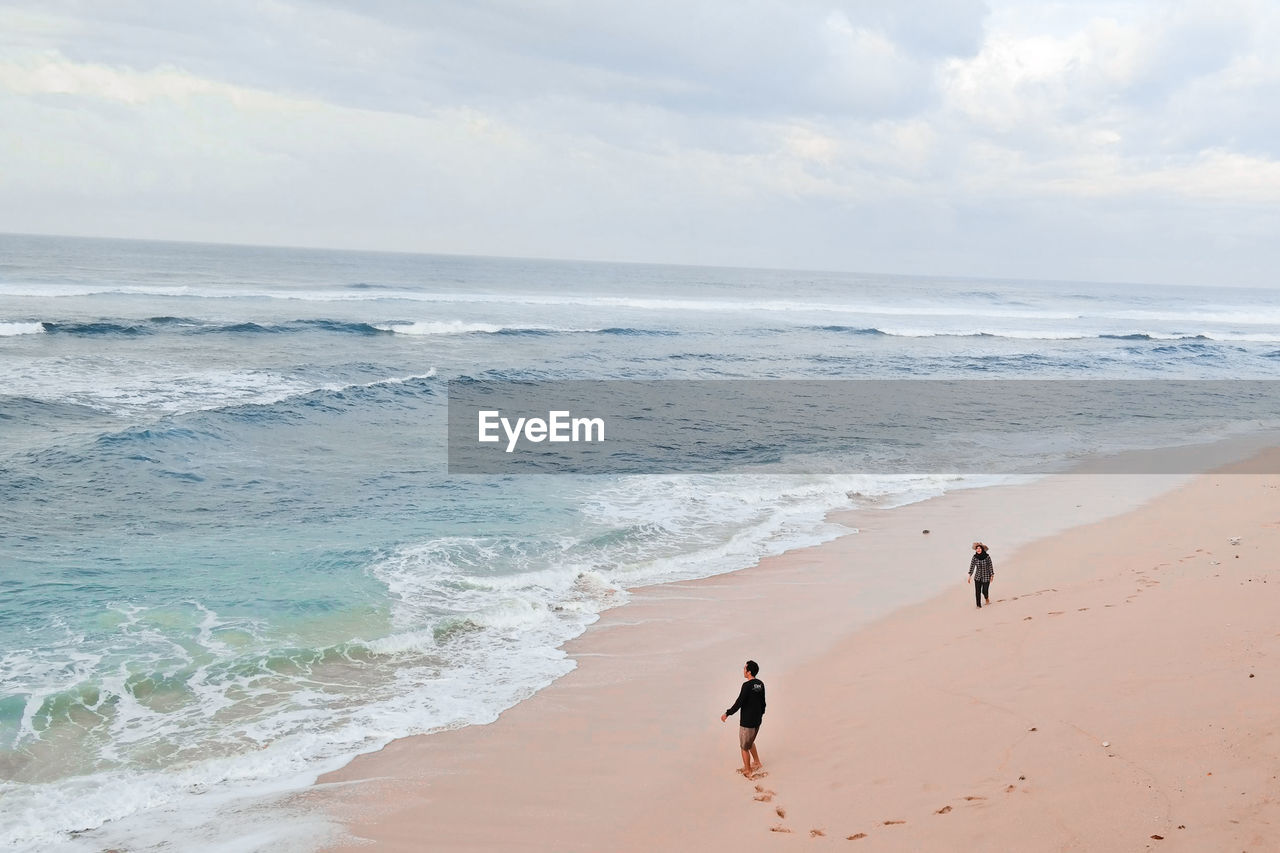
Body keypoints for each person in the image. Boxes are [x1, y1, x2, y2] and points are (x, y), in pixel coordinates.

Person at [720, 660, 766, 778]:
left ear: (749, 672)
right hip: (757, 721)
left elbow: (739, 702)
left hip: (747, 722)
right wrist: (760, 715)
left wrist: (727, 713)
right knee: (750, 742)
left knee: (744, 747)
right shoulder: (760, 684)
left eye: (745, 668)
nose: (743, 670)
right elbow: (763, 703)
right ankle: (757, 762)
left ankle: (748, 770)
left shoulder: (746, 685)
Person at [968, 541, 994, 608]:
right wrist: (969, 575)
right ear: (975, 550)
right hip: (978, 577)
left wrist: (992, 575)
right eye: (977, 548)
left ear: (982, 549)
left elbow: (990, 566)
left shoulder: (987, 557)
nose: (978, 550)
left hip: (986, 576)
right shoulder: (974, 557)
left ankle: (986, 598)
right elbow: (972, 566)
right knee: (977, 592)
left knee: (984, 591)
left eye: (979, 548)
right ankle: (978, 605)